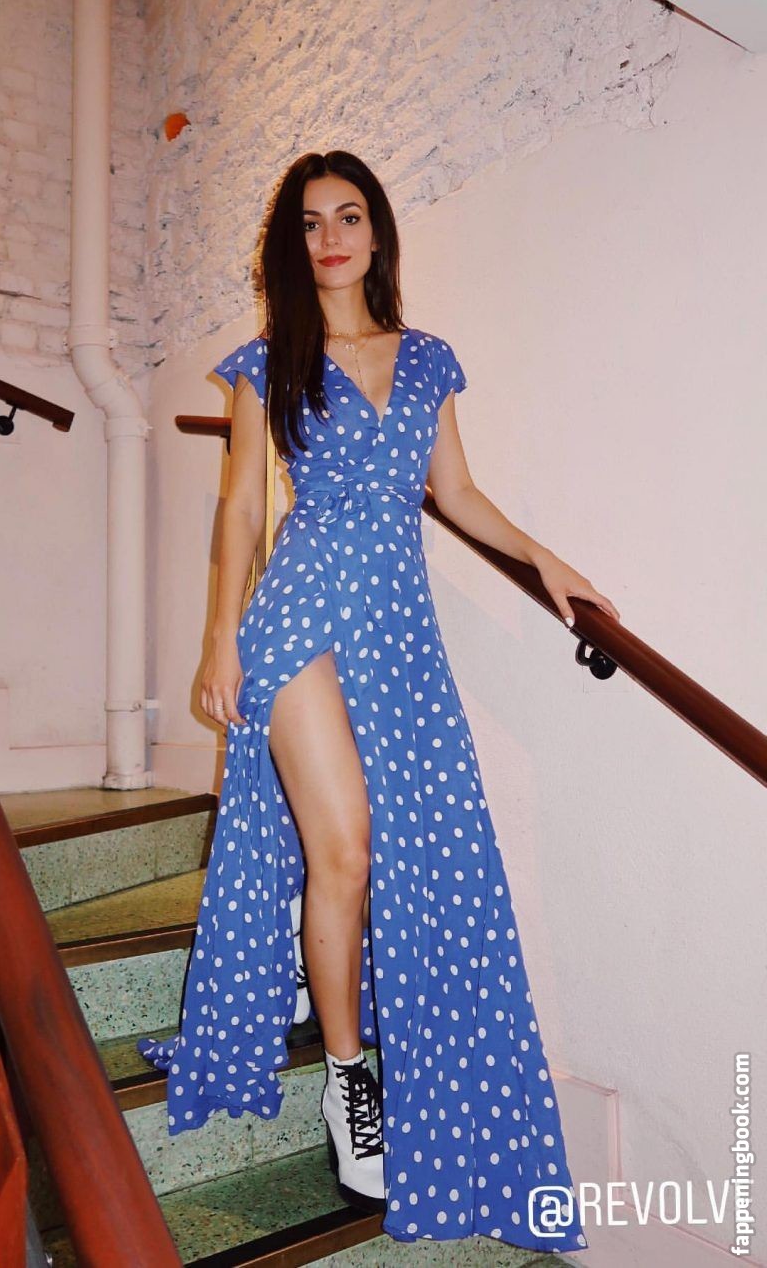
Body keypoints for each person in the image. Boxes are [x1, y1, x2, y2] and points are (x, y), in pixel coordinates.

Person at [139, 149, 619, 1253]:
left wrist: (546, 561)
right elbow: (241, 511)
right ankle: (349, 1080)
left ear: (376, 233)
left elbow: (456, 493)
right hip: (297, 620)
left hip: (399, 631)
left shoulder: (428, 358)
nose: (330, 238)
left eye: (348, 217)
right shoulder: (268, 365)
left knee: (411, 849)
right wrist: (220, 641)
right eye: (310, 223)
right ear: (292, 244)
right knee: (346, 848)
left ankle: (330, 974)